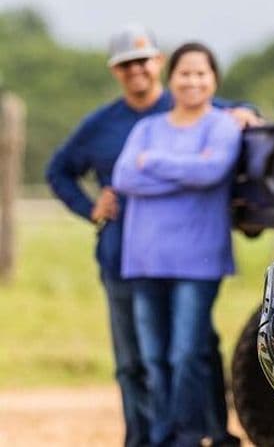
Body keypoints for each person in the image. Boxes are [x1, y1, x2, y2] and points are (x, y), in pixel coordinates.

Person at [46, 26, 251, 446]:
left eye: (142, 60)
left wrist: (152, 166)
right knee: (136, 359)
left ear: (159, 63)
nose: (136, 69)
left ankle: (204, 431)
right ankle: (143, 438)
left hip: (191, 251)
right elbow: (71, 172)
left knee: (193, 351)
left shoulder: (202, 110)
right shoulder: (104, 123)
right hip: (126, 253)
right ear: (115, 71)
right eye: (126, 64)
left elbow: (220, 144)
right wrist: (90, 208)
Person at [112, 42, 242, 447]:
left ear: (214, 80)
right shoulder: (147, 128)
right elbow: (123, 179)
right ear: (171, 80)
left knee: (185, 354)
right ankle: (162, 436)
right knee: (153, 357)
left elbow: (212, 171)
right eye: (185, 73)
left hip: (197, 261)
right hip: (144, 259)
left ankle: (190, 435)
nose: (193, 81)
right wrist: (183, 170)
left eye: (202, 73)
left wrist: (152, 163)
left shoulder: (221, 125)